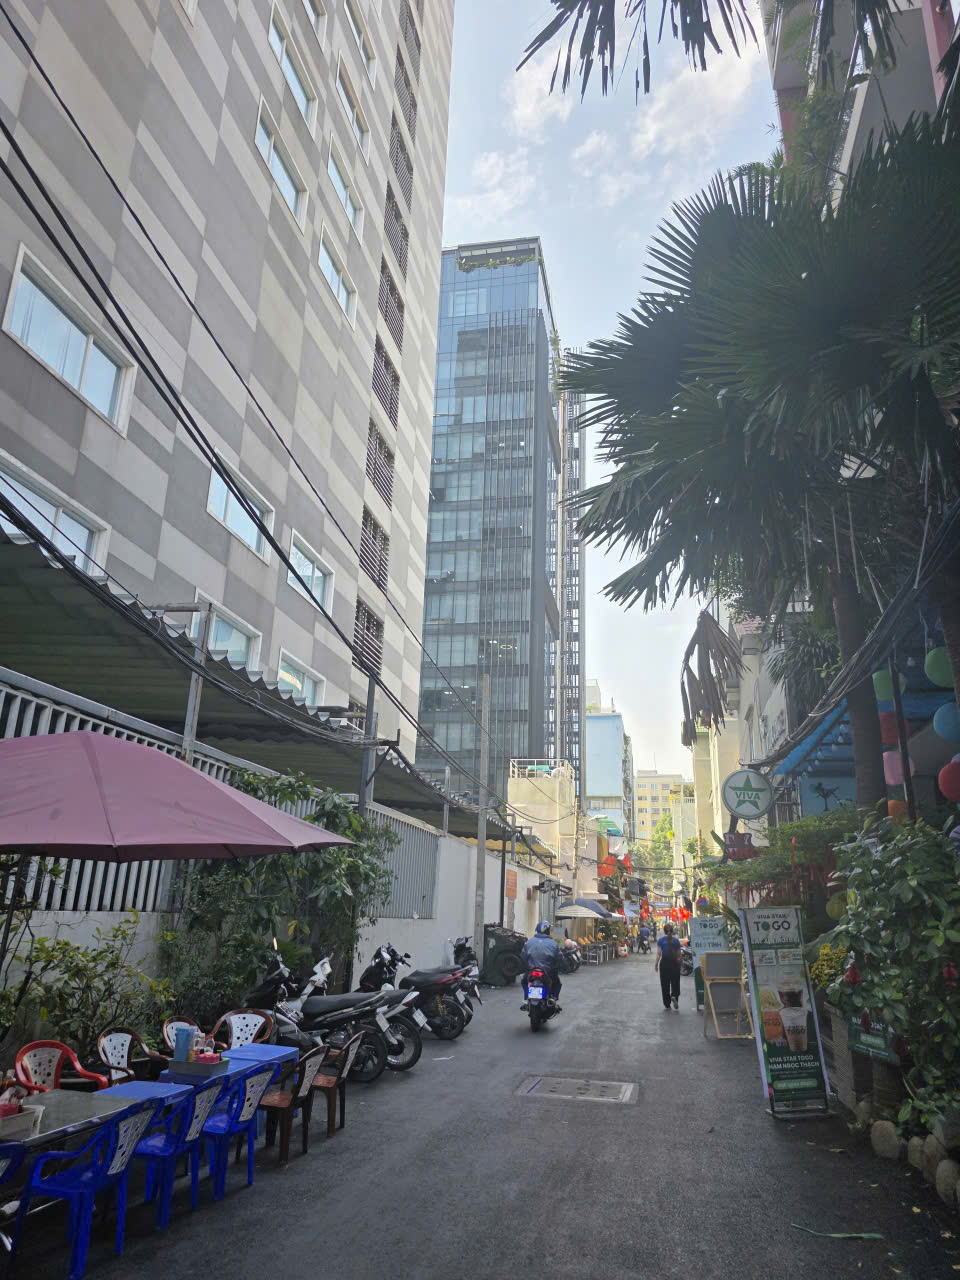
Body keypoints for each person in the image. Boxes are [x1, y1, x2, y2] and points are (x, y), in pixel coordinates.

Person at [521, 920, 562, 1007]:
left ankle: (527, 997)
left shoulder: (529, 942)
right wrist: (563, 965)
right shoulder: (553, 944)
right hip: (548, 972)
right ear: (547, 930)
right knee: (557, 983)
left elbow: (523, 957)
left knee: (524, 981)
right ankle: (553, 998)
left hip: (531, 971)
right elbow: (560, 958)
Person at [655, 922, 682, 1010]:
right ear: (672, 931)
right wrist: (680, 963)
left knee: (665, 984)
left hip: (664, 964)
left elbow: (659, 954)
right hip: (674, 963)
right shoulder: (676, 941)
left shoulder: (661, 940)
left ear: (664, 931)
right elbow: (679, 954)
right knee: (675, 982)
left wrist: (656, 964)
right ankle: (674, 996)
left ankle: (667, 1003)